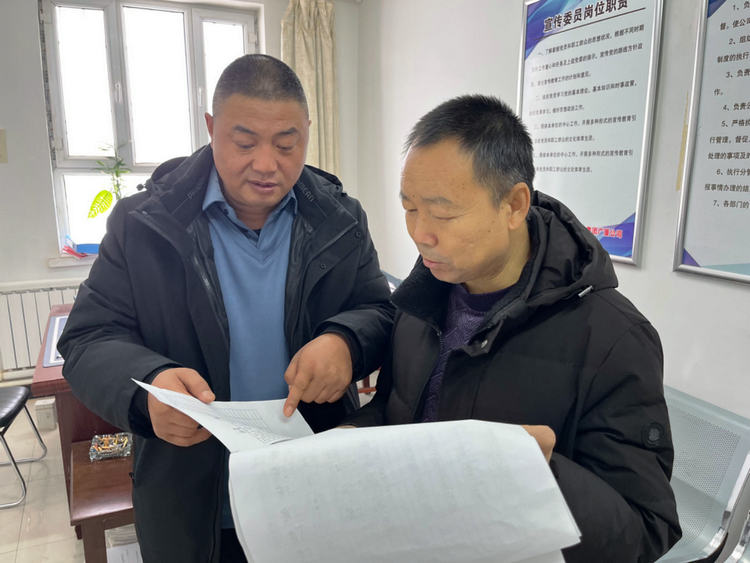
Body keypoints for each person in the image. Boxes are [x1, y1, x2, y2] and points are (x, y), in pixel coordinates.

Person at [58, 54, 394, 563]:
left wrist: (346, 342)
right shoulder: (143, 223)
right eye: (245, 143)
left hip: (313, 486)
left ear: (308, 132)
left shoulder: (340, 219)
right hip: (191, 497)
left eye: (287, 144)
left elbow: (380, 312)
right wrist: (148, 390)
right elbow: (88, 339)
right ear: (211, 128)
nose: (266, 164)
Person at [343, 95, 681, 562]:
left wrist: (542, 472)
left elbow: (645, 532)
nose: (420, 233)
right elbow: (395, 412)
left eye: (442, 213)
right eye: (409, 208)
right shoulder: (421, 302)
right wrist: (348, 439)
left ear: (514, 205)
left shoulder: (611, 338)